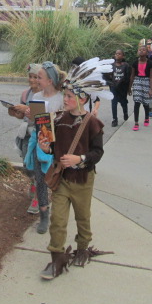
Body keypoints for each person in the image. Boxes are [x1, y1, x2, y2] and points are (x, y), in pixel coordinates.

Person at [37, 57, 112, 280]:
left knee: (82, 217)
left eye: (70, 96)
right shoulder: (58, 119)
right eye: (65, 95)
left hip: (83, 180)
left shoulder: (92, 123)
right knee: (57, 220)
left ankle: (82, 248)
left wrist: (80, 158)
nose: (66, 99)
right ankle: (57, 258)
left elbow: (97, 153)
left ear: (82, 98)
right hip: (62, 179)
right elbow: (54, 147)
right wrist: (47, 147)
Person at [28, 61, 66, 233]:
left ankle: (59, 212)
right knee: (40, 179)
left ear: (50, 81)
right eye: (36, 77)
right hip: (40, 143)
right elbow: (34, 122)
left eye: (39, 77)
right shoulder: (36, 97)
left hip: (57, 146)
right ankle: (44, 214)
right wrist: (29, 114)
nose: (36, 80)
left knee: (57, 180)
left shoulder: (61, 99)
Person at [8, 63, 42, 214]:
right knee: (27, 165)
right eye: (30, 76)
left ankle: (38, 198)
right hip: (26, 134)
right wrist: (15, 112)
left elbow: (42, 117)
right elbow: (22, 116)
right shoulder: (25, 94)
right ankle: (33, 182)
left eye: (36, 77)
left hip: (41, 136)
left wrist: (27, 109)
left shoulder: (45, 94)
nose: (32, 80)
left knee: (38, 166)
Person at [128, 45, 152, 131]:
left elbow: (151, 77)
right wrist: (129, 87)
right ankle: (136, 123)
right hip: (137, 82)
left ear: (147, 52)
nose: (141, 51)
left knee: (146, 102)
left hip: (146, 82)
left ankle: (146, 117)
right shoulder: (135, 63)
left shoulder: (150, 63)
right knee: (137, 102)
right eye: (140, 50)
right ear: (137, 52)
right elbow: (132, 76)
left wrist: (151, 89)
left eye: (143, 50)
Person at [106, 49, 130, 127]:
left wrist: (128, 88)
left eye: (119, 54)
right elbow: (108, 76)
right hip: (114, 87)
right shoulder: (111, 65)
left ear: (123, 56)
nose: (117, 55)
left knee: (123, 102)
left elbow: (128, 77)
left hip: (122, 88)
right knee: (114, 103)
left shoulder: (126, 65)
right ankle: (114, 119)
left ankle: (125, 112)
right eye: (116, 54)